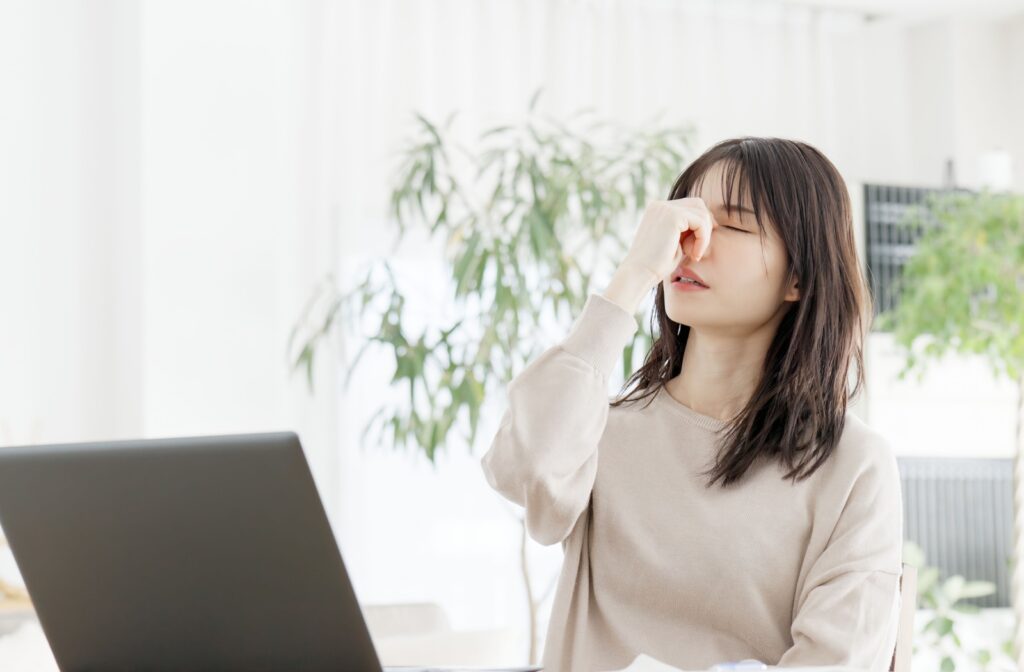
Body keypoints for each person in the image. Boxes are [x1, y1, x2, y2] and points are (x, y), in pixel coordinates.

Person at [480, 137, 904, 672]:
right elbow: (522, 472)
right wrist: (632, 275)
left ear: (797, 276)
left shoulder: (851, 464)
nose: (691, 243)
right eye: (685, 220)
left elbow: (835, 663)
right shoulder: (599, 431)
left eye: (733, 225)